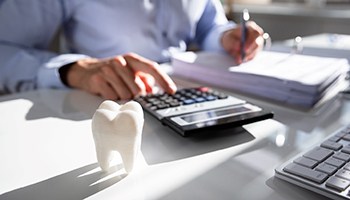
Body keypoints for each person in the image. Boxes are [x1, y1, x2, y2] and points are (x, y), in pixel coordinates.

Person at [0, 0, 264, 100]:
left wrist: (226, 37)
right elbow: (4, 49)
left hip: (191, 97)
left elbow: (208, 27)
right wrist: (72, 70)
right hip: (101, 104)